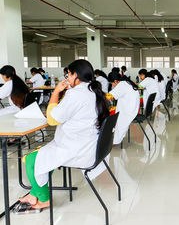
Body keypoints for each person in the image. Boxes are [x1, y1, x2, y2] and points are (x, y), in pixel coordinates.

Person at [16, 59, 110, 212]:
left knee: (32, 160)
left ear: (76, 75)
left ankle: (44, 199)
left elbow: (52, 120)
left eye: (68, 75)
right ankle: (34, 194)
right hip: (89, 145)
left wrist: (56, 91)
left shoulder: (75, 94)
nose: (67, 78)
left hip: (75, 148)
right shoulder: (93, 91)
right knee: (45, 157)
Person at [108, 70, 140, 144]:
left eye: (111, 83)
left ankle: (115, 141)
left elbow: (109, 97)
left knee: (111, 115)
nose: (112, 85)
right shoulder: (125, 83)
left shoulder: (121, 85)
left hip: (128, 111)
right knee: (113, 110)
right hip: (132, 108)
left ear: (115, 81)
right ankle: (114, 137)